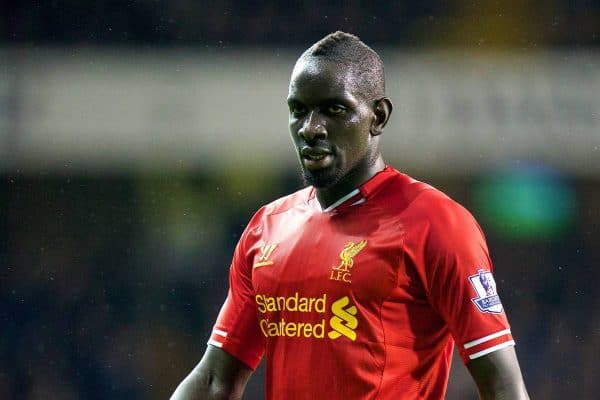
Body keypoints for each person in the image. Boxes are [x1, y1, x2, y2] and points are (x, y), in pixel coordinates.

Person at [171, 31, 530, 400]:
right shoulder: (267, 228)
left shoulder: (435, 222)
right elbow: (215, 381)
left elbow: (502, 384)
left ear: (378, 116)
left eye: (334, 109)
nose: (311, 128)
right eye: (299, 110)